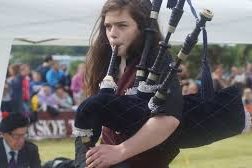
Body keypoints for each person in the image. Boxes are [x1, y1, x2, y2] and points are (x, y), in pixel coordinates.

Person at [78, 0, 182, 167]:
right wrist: (85, 156)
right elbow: (92, 115)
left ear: (143, 28)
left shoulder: (157, 58)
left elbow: (168, 118)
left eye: (122, 25)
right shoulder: (104, 63)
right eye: (108, 26)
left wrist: (120, 151)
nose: (112, 33)